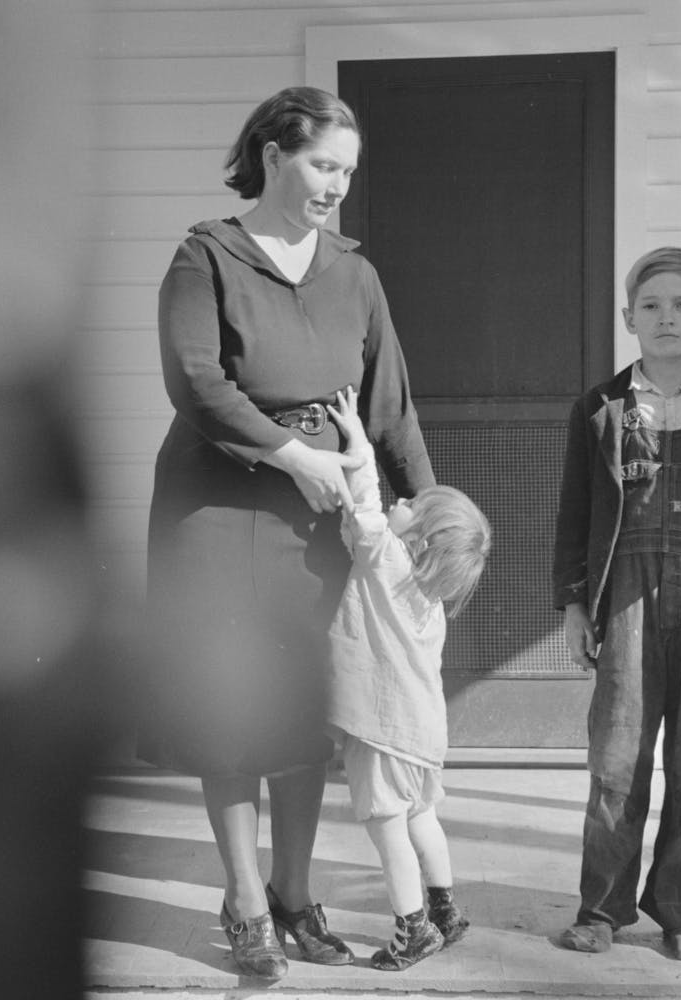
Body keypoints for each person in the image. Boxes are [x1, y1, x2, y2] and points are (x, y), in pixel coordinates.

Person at [140, 87, 436, 980]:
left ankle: (294, 896)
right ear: (273, 156)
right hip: (217, 507)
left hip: (318, 516)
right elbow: (195, 379)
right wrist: (293, 454)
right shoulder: (206, 256)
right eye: (321, 165)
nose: (336, 186)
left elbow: (389, 403)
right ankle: (243, 903)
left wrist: (425, 506)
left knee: (310, 700)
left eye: (347, 171)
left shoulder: (354, 273)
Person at [553, 246, 681, 960]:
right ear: (629, 317)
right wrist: (576, 604)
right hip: (627, 592)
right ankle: (601, 909)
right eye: (652, 305)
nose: (668, 317)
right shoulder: (600, 408)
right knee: (616, 757)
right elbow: (575, 513)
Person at [324, 387, 490, 971]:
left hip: (383, 731)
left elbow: (367, 506)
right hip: (423, 733)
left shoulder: (389, 562)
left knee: (387, 829)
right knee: (423, 818)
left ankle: (412, 929)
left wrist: (358, 442)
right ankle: (446, 910)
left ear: (416, 540)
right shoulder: (430, 601)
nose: (402, 502)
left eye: (411, 507)